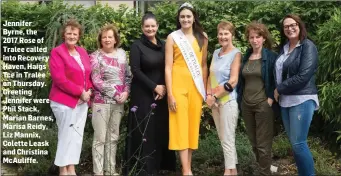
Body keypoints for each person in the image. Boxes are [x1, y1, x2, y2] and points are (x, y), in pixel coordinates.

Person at [124, 12, 176, 176]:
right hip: (143, 94)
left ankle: (159, 166)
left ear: (157, 26)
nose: (150, 28)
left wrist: (165, 88)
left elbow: (168, 68)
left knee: (159, 129)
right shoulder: (136, 45)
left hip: (162, 94)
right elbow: (136, 70)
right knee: (144, 130)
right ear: (142, 27)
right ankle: (143, 168)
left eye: (153, 26)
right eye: (147, 26)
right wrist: (155, 87)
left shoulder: (163, 44)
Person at [165, 2, 208, 175]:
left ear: (194, 17)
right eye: (182, 16)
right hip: (178, 86)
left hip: (196, 87)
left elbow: (204, 65)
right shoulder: (172, 37)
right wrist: (170, 94)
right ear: (179, 18)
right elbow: (168, 67)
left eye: (188, 16)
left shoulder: (202, 37)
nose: (185, 19)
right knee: (179, 127)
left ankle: (186, 168)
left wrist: (204, 89)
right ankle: (187, 170)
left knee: (191, 128)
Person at [274, 14, 319, 176]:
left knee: (299, 144)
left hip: (302, 98)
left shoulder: (308, 46)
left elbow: (303, 76)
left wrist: (279, 89)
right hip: (286, 101)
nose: (290, 28)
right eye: (286, 26)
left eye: (293, 25)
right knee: (295, 145)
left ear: (300, 26)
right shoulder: (284, 48)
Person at [49, 19, 92, 175]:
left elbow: (88, 74)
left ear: (78, 36)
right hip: (63, 102)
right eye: (69, 33)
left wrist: (88, 93)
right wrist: (80, 92)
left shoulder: (82, 52)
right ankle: (62, 170)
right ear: (64, 35)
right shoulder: (57, 52)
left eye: (75, 33)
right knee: (66, 135)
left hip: (82, 102)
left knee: (76, 137)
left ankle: (71, 168)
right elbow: (59, 79)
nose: (72, 36)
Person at [237, 21, 277, 175]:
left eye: (258, 36)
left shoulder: (271, 57)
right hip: (246, 105)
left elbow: (277, 78)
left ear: (264, 38)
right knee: (253, 143)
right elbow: (242, 80)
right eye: (251, 37)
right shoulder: (247, 56)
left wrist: (270, 98)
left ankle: (265, 173)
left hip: (262, 105)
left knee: (263, 144)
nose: (254, 40)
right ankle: (268, 169)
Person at [90, 24, 131, 175]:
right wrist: (115, 93)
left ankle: (110, 170)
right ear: (100, 40)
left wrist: (126, 93)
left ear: (115, 39)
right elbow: (96, 80)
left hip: (119, 103)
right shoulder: (95, 56)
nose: (107, 39)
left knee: (113, 138)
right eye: (104, 37)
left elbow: (127, 76)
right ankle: (98, 172)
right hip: (101, 102)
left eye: (110, 37)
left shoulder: (121, 54)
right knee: (100, 138)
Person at [206, 21, 241, 176]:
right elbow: (210, 75)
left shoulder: (236, 53)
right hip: (215, 103)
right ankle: (233, 171)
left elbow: (233, 81)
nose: (223, 36)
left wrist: (214, 96)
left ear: (232, 35)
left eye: (226, 33)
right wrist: (208, 95)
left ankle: (228, 171)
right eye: (220, 33)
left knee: (228, 137)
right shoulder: (215, 52)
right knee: (222, 137)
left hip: (228, 101)